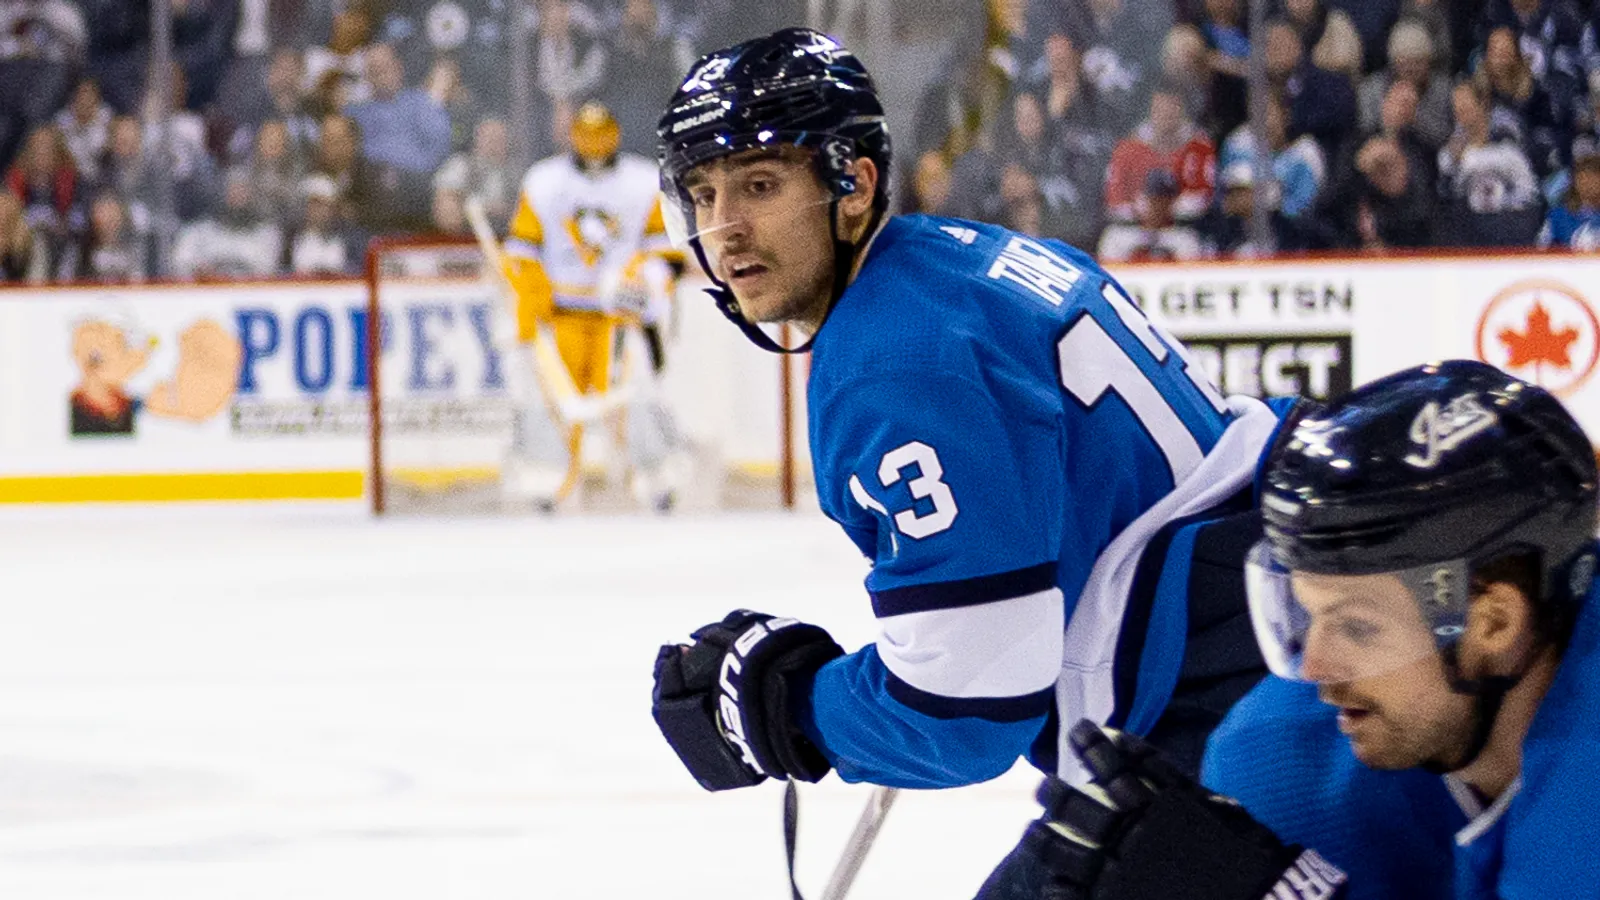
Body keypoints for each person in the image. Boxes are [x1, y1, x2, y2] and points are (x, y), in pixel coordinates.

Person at [646, 28, 1284, 896]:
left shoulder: (889, 358)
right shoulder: (961, 259)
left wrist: (787, 711)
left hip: (1215, 706)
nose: (726, 228)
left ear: (854, 183)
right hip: (1265, 620)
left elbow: (968, 711)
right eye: (705, 192)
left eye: (760, 184)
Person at [1008, 359, 1600, 900]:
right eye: (1306, 612)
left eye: (1359, 628)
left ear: (1493, 623)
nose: (1313, 668)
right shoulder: (1281, 755)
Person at [500, 100, 684, 511]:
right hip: (563, 314)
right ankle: (546, 484)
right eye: (587, 135)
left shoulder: (641, 182)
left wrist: (641, 285)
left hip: (620, 320)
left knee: (634, 400)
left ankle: (655, 483)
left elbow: (664, 255)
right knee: (553, 405)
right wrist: (535, 300)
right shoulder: (544, 182)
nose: (595, 144)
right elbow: (522, 251)